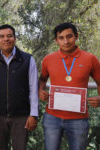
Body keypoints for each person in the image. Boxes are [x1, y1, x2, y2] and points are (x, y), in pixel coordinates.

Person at [39, 22, 100, 150]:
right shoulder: (48, 59)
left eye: (69, 36)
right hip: (52, 117)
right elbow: (42, 79)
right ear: (56, 40)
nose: (66, 41)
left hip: (79, 119)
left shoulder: (90, 59)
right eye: (61, 38)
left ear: (76, 36)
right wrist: (40, 90)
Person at [0, 24, 39, 150]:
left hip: (21, 116)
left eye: (9, 36)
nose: (6, 39)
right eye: (2, 36)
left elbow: (33, 89)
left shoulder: (28, 60)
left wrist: (33, 114)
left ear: (15, 38)